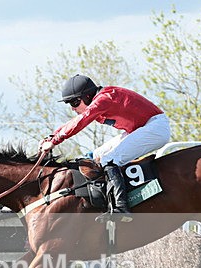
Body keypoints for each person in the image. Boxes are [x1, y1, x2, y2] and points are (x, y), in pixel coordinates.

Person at [39, 74, 171, 221]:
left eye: (75, 102)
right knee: (94, 156)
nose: (72, 108)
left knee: (109, 160)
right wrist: (51, 137)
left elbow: (82, 120)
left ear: (87, 96)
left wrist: (56, 140)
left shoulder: (104, 99)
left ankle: (121, 208)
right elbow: (76, 120)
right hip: (141, 128)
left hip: (155, 127)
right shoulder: (100, 98)